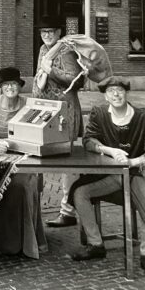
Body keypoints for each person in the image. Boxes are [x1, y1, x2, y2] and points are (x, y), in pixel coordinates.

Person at [70, 76, 145, 278]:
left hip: (139, 172)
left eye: (120, 90)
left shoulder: (144, 118)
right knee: (80, 192)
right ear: (105, 95)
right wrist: (109, 151)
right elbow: (88, 140)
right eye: (111, 91)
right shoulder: (100, 114)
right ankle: (96, 244)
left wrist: (133, 161)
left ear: (126, 93)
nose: (116, 94)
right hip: (113, 174)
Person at [0, 67, 47, 259]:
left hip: (24, 157)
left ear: (19, 86)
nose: (10, 88)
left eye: (14, 84)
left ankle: (24, 242)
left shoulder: (29, 104)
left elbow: (38, 132)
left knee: (22, 185)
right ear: (1, 87)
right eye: (6, 84)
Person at [33, 15, 83, 228]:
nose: (47, 36)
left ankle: (67, 211)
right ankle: (34, 209)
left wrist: (50, 70)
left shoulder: (67, 50)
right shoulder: (43, 50)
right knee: (38, 157)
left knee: (66, 162)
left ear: (59, 33)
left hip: (65, 112)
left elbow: (76, 79)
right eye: (43, 32)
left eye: (51, 32)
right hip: (46, 112)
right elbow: (38, 74)